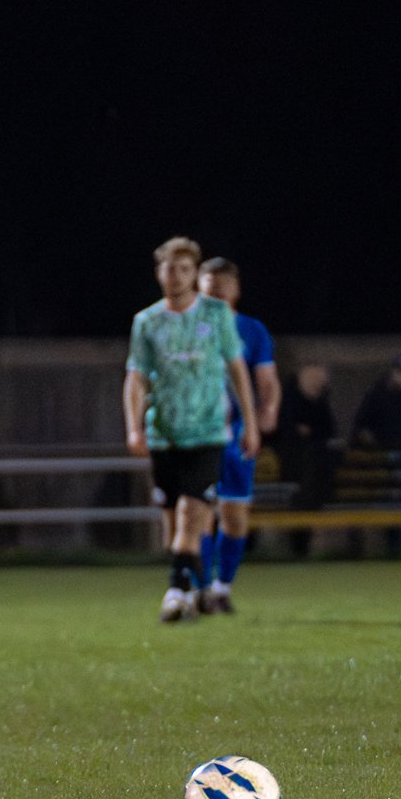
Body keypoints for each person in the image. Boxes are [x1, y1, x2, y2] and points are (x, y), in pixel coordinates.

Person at [124, 238, 260, 622]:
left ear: (193, 274)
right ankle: (197, 588)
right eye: (170, 269)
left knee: (189, 515)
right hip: (164, 434)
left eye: (184, 269)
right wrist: (134, 428)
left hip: (208, 434)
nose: (176, 276)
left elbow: (237, 371)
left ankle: (174, 593)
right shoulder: (147, 322)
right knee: (174, 525)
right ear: (159, 273)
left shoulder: (216, 316)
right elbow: (135, 378)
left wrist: (250, 423)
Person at [194, 257, 279, 613]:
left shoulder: (251, 331)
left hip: (237, 436)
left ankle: (222, 586)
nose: (216, 289)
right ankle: (198, 590)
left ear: (236, 289)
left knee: (234, 515)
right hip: (196, 434)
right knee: (196, 513)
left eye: (223, 283)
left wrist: (267, 412)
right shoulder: (187, 328)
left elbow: (266, 381)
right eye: (209, 282)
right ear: (199, 287)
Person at [350, 352, 401, 556]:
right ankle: (394, 546)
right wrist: (368, 437)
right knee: (393, 501)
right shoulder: (378, 393)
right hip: (388, 456)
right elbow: (361, 425)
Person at [275, 363, 337, 558]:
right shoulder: (288, 399)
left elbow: (328, 430)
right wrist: (298, 431)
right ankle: (297, 544)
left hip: (313, 470)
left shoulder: (321, 403)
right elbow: (281, 428)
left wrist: (312, 432)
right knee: (299, 494)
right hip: (293, 464)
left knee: (308, 493)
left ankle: (303, 545)